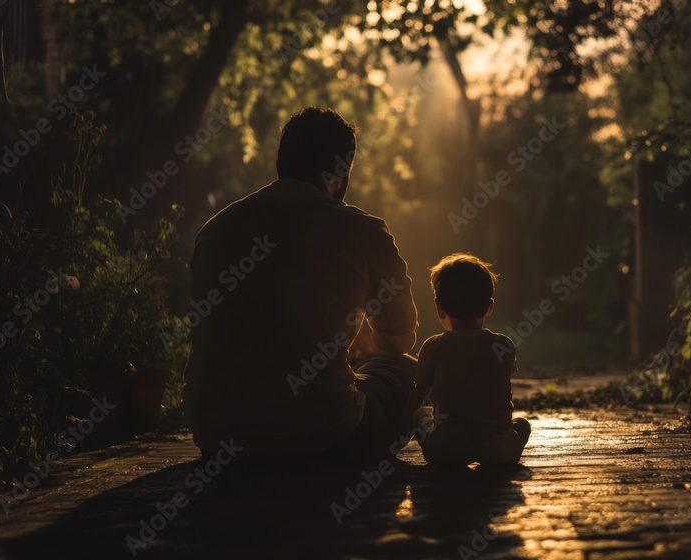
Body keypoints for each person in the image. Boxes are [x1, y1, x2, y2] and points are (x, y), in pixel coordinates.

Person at [183, 107, 420, 461]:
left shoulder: (216, 229)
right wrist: (364, 339)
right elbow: (401, 338)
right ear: (341, 172)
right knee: (406, 370)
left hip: (217, 433)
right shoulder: (363, 230)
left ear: (282, 161)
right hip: (323, 432)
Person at [415, 253, 531, 466]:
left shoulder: (432, 346)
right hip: (499, 449)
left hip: (446, 450)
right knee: (522, 423)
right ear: (489, 306)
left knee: (420, 416)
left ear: (439, 307)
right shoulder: (503, 345)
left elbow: (423, 391)